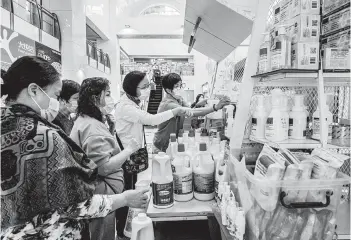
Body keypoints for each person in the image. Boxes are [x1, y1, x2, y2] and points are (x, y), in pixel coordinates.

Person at [1, 56, 148, 239]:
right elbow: (75, 204)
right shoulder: (45, 137)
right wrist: (125, 199)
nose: (55, 103)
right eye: (55, 96)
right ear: (33, 90)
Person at [114, 71, 191, 238]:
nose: (149, 89)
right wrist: (176, 110)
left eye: (149, 85)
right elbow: (151, 120)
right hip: (126, 155)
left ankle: (127, 227)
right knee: (126, 192)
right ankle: (123, 230)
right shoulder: (126, 107)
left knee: (131, 188)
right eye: (145, 86)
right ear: (132, 87)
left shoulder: (134, 103)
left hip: (133, 153)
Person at [70, 77, 141, 240]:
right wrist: (129, 150)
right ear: (95, 98)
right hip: (102, 192)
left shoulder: (87, 120)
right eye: (107, 94)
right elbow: (103, 167)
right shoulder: (92, 127)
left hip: (102, 190)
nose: (112, 100)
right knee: (103, 233)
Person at [153, 73, 230, 152]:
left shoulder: (179, 99)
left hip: (172, 142)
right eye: (176, 86)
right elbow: (192, 112)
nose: (180, 88)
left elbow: (190, 109)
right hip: (162, 145)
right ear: (168, 90)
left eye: (181, 85)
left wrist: (198, 104)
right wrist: (215, 107)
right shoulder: (168, 105)